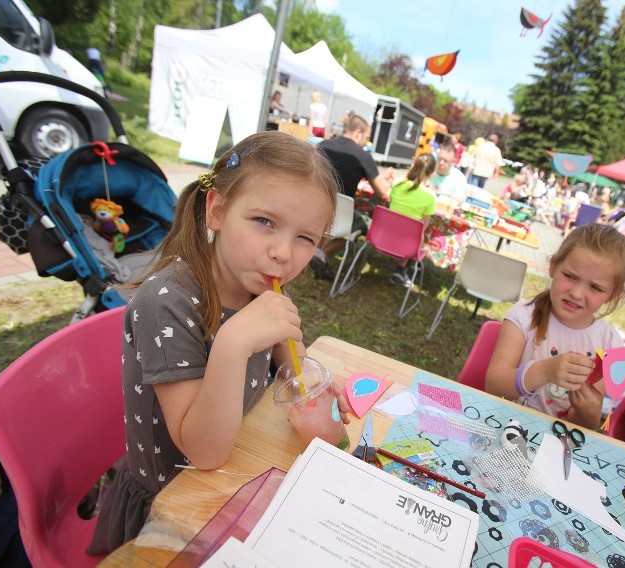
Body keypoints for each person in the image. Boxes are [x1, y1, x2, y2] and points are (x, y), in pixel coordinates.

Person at [87, 132, 352, 553]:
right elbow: (203, 452)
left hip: (236, 470)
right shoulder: (166, 304)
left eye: (306, 238)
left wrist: (310, 381)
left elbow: (289, 351)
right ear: (217, 211)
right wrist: (233, 343)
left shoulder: (261, 283)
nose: (283, 252)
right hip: (173, 505)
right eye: (264, 221)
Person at [485, 224, 625, 428]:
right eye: (570, 276)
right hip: (500, 422)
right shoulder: (523, 315)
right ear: (553, 266)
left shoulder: (610, 345)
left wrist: (590, 411)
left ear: (614, 294)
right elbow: (493, 386)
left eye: (595, 287)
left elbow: (580, 425)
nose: (576, 293)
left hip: (551, 443)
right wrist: (544, 371)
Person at [315, 111, 395, 279]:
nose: (367, 142)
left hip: (313, 208)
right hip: (339, 218)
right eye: (367, 137)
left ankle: (313, 248)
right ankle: (319, 252)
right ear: (358, 133)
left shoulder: (323, 145)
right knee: (361, 224)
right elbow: (382, 192)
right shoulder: (362, 156)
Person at [388, 153, 436, 287]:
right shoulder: (430, 196)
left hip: (384, 236)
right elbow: (424, 227)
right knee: (415, 233)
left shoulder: (397, 183)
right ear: (432, 174)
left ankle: (401, 269)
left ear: (413, 165)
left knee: (405, 228)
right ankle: (401, 268)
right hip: (407, 245)